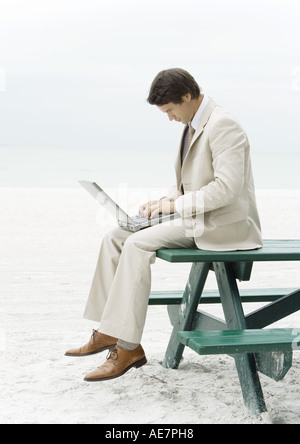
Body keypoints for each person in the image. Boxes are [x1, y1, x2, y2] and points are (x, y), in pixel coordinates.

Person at [65, 68, 262, 381]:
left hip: (222, 225)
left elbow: (228, 188)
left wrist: (176, 206)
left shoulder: (224, 125)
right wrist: (161, 203)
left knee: (136, 244)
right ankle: (106, 331)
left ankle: (129, 348)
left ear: (186, 96)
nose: (169, 118)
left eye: (170, 110)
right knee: (115, 236)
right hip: (197, 216)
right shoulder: (191, 125)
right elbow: (187, 186)